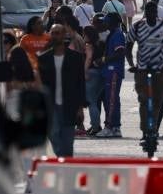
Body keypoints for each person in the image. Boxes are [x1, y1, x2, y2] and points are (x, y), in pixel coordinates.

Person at [127, 1, 163, 141]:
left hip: (159, 70)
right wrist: (132, 65)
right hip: (142, 70)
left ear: (157, 12)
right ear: (145, 13)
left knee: (157, 101)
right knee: (144, 100)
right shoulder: (137, 26)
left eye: (154, 12)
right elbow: (128, 46)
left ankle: (153, 128)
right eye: (149, 13)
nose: (152, 15)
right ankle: (145, 130)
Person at [38, 25, 86, 157]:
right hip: (51, 104)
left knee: (68, 140)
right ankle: (61, 158)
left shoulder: (75, 58)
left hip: (70, 104)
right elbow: (41, 84)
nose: (55, 36)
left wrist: (80, 107)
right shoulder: (43, 58)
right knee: (53, 134)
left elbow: (80, 82)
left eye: (58, 33)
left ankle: (67, 162)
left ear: (64, 35)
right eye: (52, 33)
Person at [96, 13, 126, 138]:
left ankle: (110, 126)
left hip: (113, 71)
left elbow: (120, 52)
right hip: (110, 71)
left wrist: (103, 60)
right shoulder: (113, 33)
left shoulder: (118, 34)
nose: (105, 24)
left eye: (106, 21)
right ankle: (114, 127)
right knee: (111, 99)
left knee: (112, 100)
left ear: (113, 22)